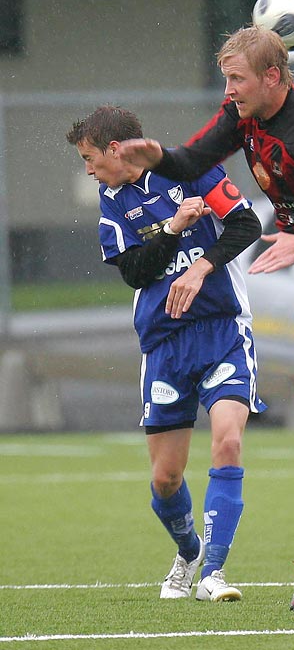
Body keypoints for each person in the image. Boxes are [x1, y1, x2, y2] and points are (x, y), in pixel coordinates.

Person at [116, 26, 294, 611]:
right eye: (226, 78)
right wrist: (157, 156)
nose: (229, 89)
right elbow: (195, 157)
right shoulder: (245, 112)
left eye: (237, 78)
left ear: (273, 77)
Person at [66, 105, 266, 603]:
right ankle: (188, 552)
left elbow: (246, 226)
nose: (88, 169)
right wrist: (174, 229)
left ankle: (214, 574)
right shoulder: (112, 201)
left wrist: (201, 268)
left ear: (115, 149)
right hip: (165, 344)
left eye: (90, 157)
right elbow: (135, 272)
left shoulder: (189, 168)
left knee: (228, 441)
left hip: (222, 329)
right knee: (165, 478)